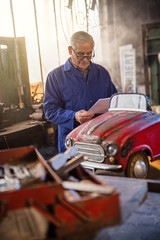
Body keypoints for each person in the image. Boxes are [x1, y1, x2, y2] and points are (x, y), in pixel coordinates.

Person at [43, 31, 117, 153]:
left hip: (101, 141)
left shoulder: (102, 73)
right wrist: (74, 116)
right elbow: (50, 110)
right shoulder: (55, 77)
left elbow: (114, 102)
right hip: (72, 142)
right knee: (75, 171)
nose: (85, 59)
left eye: (89, 54)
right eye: (80, 54)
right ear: (69, 50)